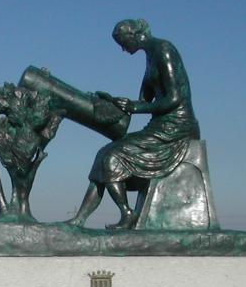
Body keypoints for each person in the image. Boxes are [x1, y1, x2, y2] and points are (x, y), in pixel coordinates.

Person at [67, 19, 200, 229]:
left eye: (122, 42)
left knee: (112, 157)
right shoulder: (150, 57)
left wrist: (135, 108)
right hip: (160, 125)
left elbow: (174, 98)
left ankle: (127, 214)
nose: (122, 48)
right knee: (103, 154)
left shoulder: (164, 50)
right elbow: (144, 101)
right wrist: (114, 102)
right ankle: (79, 219)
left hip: (177, 126)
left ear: (135, 35)